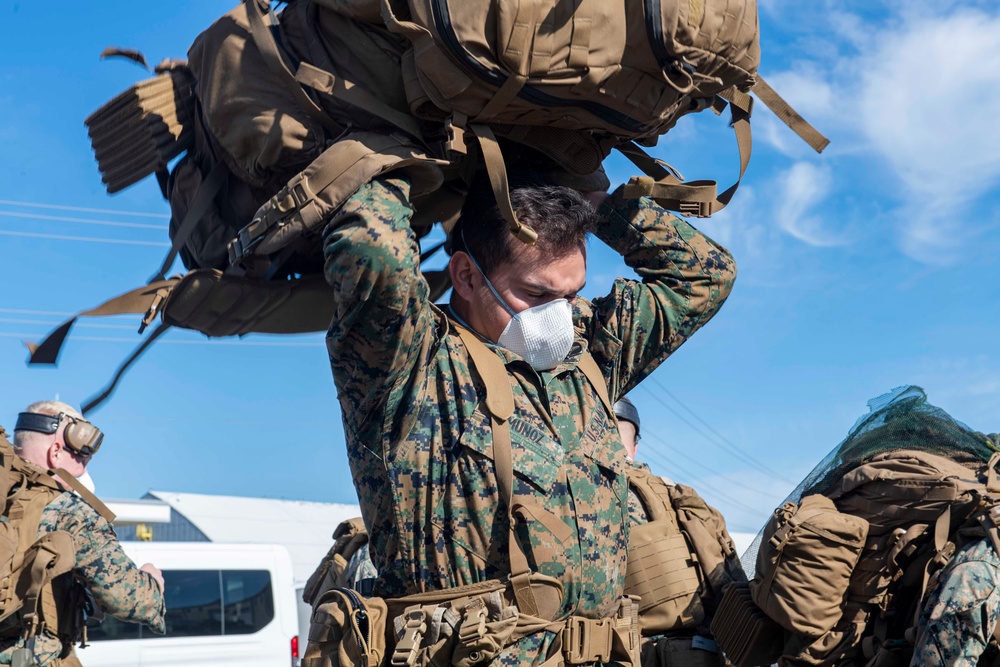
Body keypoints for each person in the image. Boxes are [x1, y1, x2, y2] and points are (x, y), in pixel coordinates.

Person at [322, 169, 736, 666]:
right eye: (538, 296)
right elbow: (376, 255)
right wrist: (403, 157)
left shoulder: (589, 358)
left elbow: (704, 276)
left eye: (573, 294)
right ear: (467, 276)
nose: (560, 316)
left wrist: (599, 203)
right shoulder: (410, 365)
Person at [3, 401, 165, 667]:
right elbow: (131, 601)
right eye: (81, 458)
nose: (84, 470)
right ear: (56, 452)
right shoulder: (69, 513)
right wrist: (153, 583)